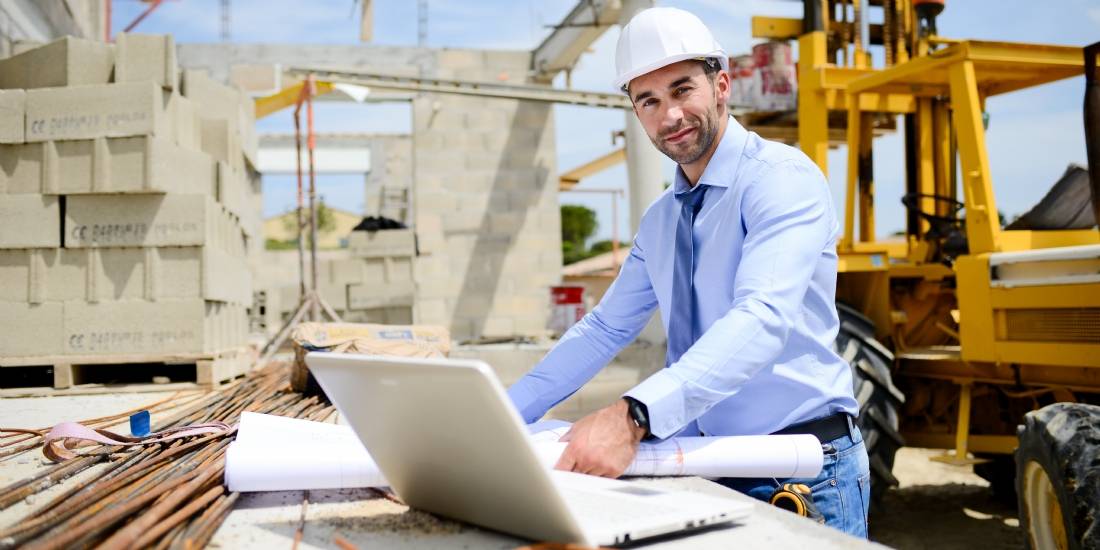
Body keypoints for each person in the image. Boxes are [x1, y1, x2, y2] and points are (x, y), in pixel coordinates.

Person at [506, 6, 870, 538]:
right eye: (649, 101)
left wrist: (633, 415)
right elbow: (605, 328)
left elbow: (762, 316)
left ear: (721, 84)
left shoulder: (781, 181)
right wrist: (503, 416)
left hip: (801, 470)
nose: (669, 116)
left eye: (682, 90)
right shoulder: (662, 220)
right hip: (707, 462)